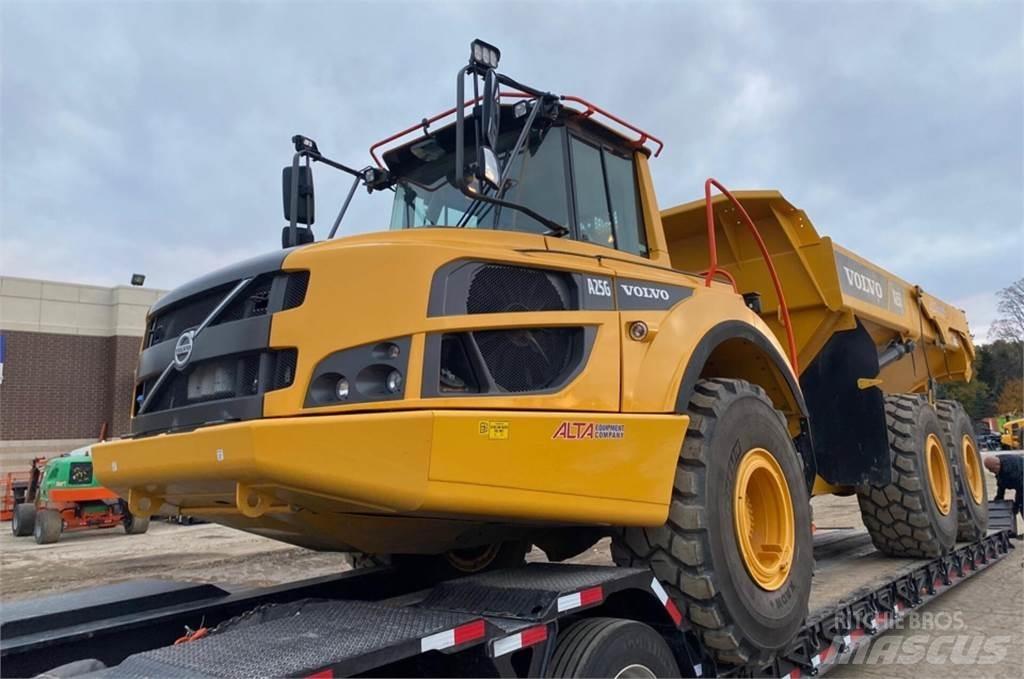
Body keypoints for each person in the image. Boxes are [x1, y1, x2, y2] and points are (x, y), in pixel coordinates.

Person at [984, 454, 1023, 518]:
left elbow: (1021, 490)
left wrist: (1017, 505)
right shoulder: (998, 462)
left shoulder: (1012, 472)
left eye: (991, 469)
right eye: (988, 469)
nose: (990, 471)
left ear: (997, 465)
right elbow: (1001, 484)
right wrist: (999, 498)